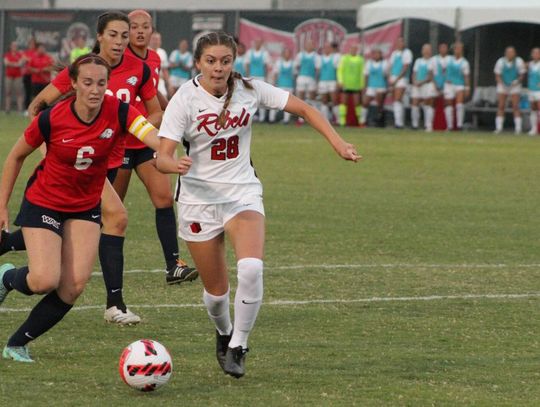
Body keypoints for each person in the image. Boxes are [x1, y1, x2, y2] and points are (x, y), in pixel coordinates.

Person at [156, 31, 360, 379]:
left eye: (225, 61)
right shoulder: (184, 99)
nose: (218, 68)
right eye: (211, 61)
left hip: (242, 194)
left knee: (251, 268)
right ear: (197, 63)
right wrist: (172, 164)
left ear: (233, 62)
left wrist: (337, 143)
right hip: (198, 202)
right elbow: (161, 155)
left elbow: (305, 108)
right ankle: (224, 334)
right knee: (216, 294)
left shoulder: (250, 89)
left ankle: (240, 345)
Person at [0, 54, 186, 362]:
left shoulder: (119, 111)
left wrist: (167, 156)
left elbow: (150, 136)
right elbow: (15, 156)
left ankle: (16, 343)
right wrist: (2, 206)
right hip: (44, 201)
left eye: (101, 83)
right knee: (44, 280)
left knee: (73, 287)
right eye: (87, 83)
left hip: (85, 206)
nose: (95, 89)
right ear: (73, 84)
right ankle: (7, 277)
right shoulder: (53, 118)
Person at [26, 11, 165, 325]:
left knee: (70, 227)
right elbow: (39, 105)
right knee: (116, 217)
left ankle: (7, 249)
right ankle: (115, 304)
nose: (119, 41)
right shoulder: (85, 68)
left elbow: (154, 112)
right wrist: (52, 147)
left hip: (111, 159)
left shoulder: (138, 69)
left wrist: (131, 125)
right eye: (113, 35)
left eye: (124, 36)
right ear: (100, 36)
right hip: (82, 163)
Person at [122, 9, 197, 284]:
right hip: (118, 142)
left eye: (146, 26)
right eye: (134, 27)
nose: (141, 31)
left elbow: (152, 93)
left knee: (164, 199)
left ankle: (173, 265)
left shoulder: (153, 58)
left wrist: (173, 108)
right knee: (109, 210)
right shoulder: (118, 58)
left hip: (146, 139)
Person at [494, 46, 526, 134]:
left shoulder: (519, 61)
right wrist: (502, 83)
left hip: (514, 86)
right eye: (508, 52)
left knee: (515, 106)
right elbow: (497, 75)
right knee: (501, 106)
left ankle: (518, 129)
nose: (510, 54)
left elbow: (522, 74)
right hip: (503, 85)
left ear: (515, 53)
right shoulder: (500, 61)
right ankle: (499, 128)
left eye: (512, 52)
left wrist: (516, 81)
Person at [444, 42, 470, 131]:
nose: (458, 50)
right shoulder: (448, 59)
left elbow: (466, 76)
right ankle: (449, 126)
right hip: (449, 85)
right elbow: (443, 69)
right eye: (456, 48)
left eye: (460, 48)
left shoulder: (464, 62)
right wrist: (446, 78)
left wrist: (467, 88)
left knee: (459, 105)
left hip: (459, 84)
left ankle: (459, 125)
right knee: (448, 105)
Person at [337, 43, 364, 126]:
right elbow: (340, 70)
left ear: (357, 50)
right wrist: (340, 81)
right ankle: (342, 122)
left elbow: (362, 73)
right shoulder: (344, 58)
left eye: (355, 48)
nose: (353, 50)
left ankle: (360, 121)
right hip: (346, 84)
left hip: (356, 85)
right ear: (350, 49)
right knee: (343, 102)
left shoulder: (360, 59)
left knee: (357, 103)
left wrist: (362, 85)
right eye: (352, 48)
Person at [411, 44, 436, 132]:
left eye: (428, 49)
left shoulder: (432, 61)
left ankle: (428, 125)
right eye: (424, 49)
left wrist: (421, 82)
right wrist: (414, 82)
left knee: (428, 104)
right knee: (415, 103)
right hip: (417, 84)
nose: (426, 51)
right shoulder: (418, 61)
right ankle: (415, 125)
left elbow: (430, 75)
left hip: (427, 85)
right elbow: (414, 73)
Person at [388, 37, 413, 129]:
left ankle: (399, 123)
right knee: (396, 100)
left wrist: (397, 79)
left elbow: (405, 67)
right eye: (398, 42)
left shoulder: (407, 53)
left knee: (398, 99)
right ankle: (398, 122)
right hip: (393, 78)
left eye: (401, 42)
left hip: (401, 79)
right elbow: (390, 66)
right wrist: (390, 77)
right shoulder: (394, 53)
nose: (399, 44)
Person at [294, 39, 320, 124]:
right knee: (300, 98)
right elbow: (297, 66)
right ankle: (301, 118)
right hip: (301, 77)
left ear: (313, 46)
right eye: (307, 44)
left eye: (311, 44)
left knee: (312, 98)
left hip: (311, 78)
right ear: (305, 46)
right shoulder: (300, 55)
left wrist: (316, 80)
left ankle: (316, 117)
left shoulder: (316, 56)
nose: (309, 46)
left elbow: (317, 69)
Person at [361, 48, 388, 127]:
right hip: (371, 86)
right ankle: (362, 121)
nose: (376, 55)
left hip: (381, 86)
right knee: (365, 103)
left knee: (380, 103)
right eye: (375, 54)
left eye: (378, 54)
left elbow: (386, 76)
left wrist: (387, 87)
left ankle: (379, 119)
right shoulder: (369, 63)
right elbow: (366, 76)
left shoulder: (384, 63)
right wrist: (365, 86)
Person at [245, 38, 270, 122]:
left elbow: (266, 66)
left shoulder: (265, 54)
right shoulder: (249, 53)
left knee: (261, 97)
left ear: (261, 44)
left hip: (261, 77)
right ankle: (250, 117)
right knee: (251, 97)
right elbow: (247, 65)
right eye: (256, 42)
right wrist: (248, 77)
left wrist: (266, 77)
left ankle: (262, 117)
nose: (257, 44)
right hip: (252, 77)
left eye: (259, 43)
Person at [269, 47, 295, 124]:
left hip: (289, 85)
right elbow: (275, 74)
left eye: (288, 53)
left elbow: (294, 75)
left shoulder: (293, 63)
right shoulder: (279, 63)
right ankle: (271, 119)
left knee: (288, 104)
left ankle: (286, 120)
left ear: (290, 54)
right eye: (285, 53)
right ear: (283, 54)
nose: (287, 55)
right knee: (275, 102)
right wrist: (273, 84)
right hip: (280, 85)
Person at [318, 41, 340, 123]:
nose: (327, 49)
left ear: (331, 49)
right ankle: (325, 120)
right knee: (324, 101)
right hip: (323, 81)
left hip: (332, 81)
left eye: (328, 48)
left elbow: (338, 70)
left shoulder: (335, 57)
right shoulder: (320, 58)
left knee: (334, 100)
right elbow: (318, 71)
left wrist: (338, 81)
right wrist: (318, 82)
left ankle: (338, 120)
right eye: (325, 48)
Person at [3, 41, 25, 113]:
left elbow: (20, 64)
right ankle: (7, 109)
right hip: (9, 75)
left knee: (19, 93)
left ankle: (20, 109)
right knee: (8, 92)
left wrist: (11, 64)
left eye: (15, 46)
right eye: (13, 46)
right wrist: (15, 64)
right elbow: (6, 63)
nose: (14, 47)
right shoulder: (7, 54)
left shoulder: (20, 54)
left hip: (18, 76)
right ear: (10, 47)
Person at [149, 31, 169, 98]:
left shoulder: (162, 52)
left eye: (158, 39)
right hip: (149, 82)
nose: (156, 42)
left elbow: (165, 70)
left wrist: (169, 84)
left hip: (160, 82)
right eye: (154, 39)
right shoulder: (145, 52)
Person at [22, 37, 37, 111]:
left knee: (34, 93)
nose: (32, 45)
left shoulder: (36, 52)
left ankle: (35, 109)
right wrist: (30, 59)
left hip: (35, 75)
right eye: (30, 44)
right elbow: (24, 59)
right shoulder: (26, 52)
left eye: (33, 44)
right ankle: (26, 109)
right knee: (27, 92)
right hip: (27, 74)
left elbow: (34, 60)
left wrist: (30, 59)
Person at [527, 48, 540, 136]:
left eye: (537, 53)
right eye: (534, 53)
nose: (535, 55)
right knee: (533, 109)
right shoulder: (530, 65)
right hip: (531, 89)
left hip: (539, 90)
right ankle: (533, 129)